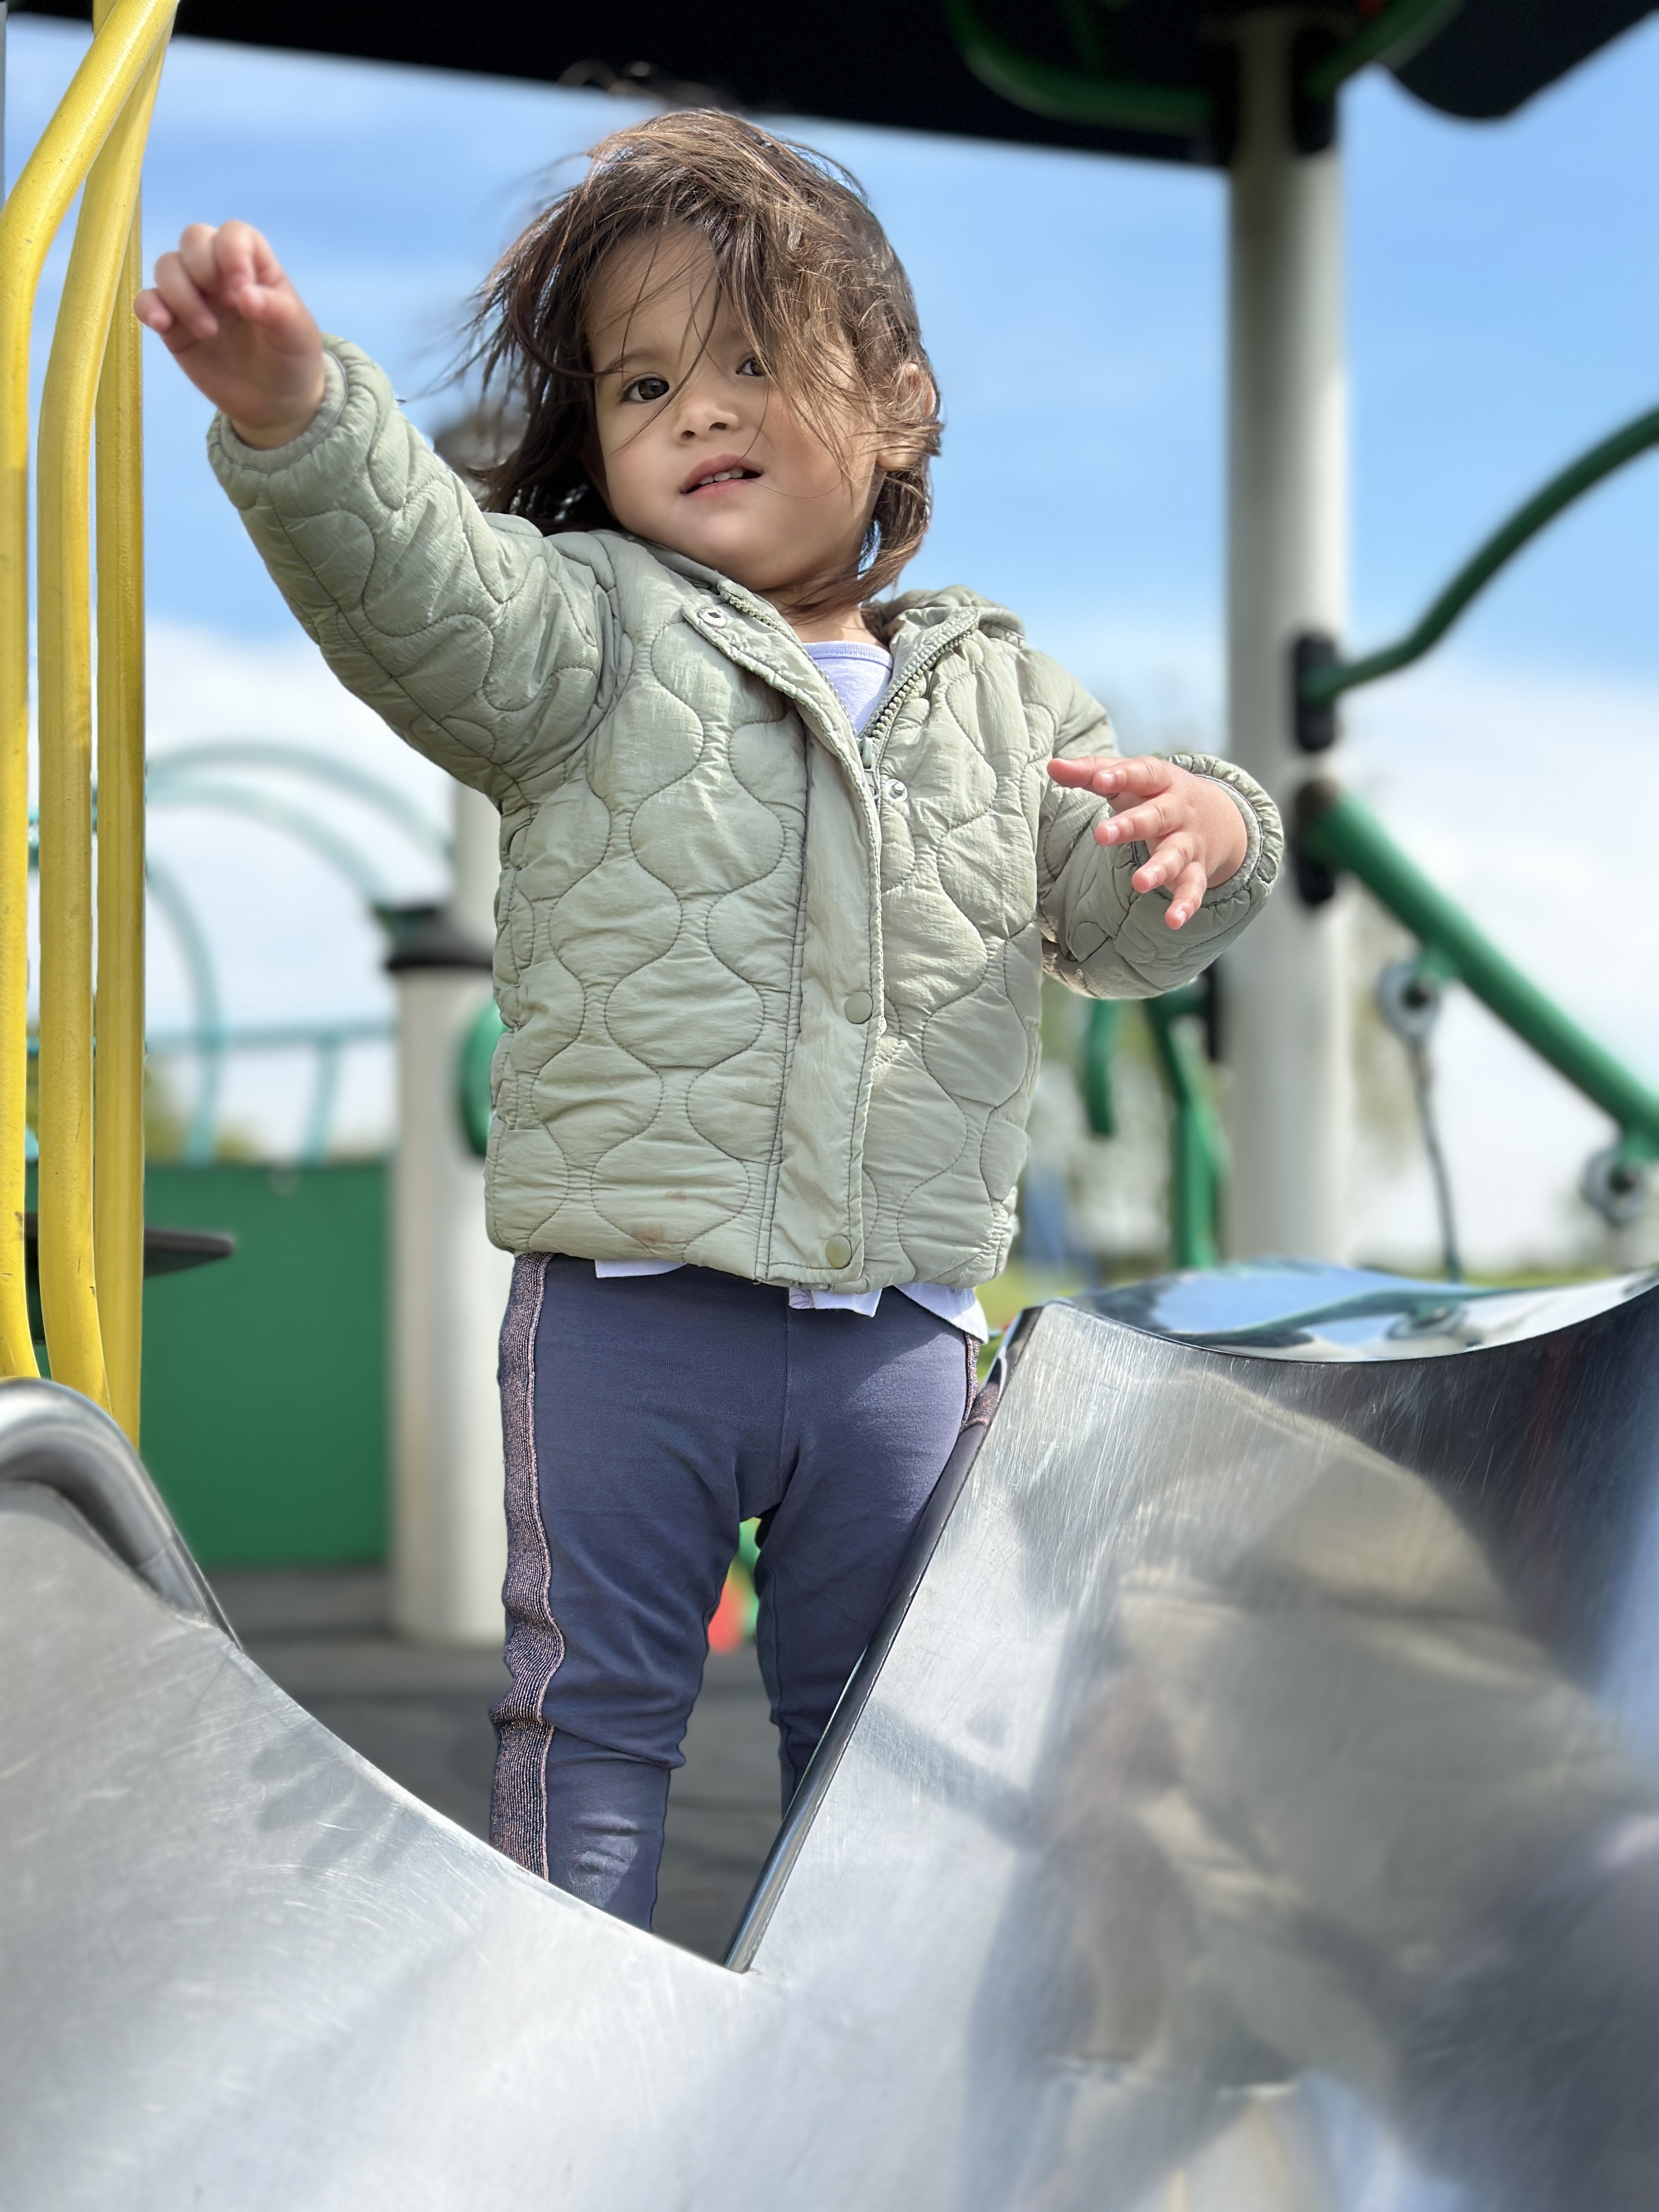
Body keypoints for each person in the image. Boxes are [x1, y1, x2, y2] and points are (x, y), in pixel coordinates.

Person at [136, 112, 1282, 1931]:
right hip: (630, 1317)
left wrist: (1210, 832)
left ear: (898, 401)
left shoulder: (1008, 700)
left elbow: (1114, 921)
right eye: (644, 382)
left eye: (753, 359)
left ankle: (850, 2037)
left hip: (895, 1332)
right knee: (592, 1711)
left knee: (883, 1737)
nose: (697, 412)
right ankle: (557, 2018)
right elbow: (429, 591)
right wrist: (303, 421)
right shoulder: (591, 633)